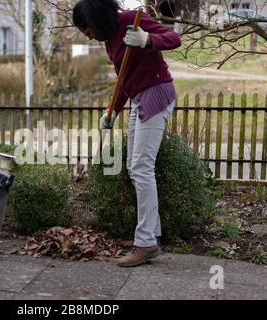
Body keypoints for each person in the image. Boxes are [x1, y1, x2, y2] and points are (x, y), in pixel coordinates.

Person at [73, 0, 182, 267]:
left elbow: (173, 38)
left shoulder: (131, 20)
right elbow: (124, 80)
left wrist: (147, 40)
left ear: (98, 20)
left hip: (155, 93)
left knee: (141, 167)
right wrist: (112, 113)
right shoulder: (111, 39)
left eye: (87, 30)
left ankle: (145, 243)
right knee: (137, 168)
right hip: (138, 97)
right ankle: (151, 236)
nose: (88, 36)